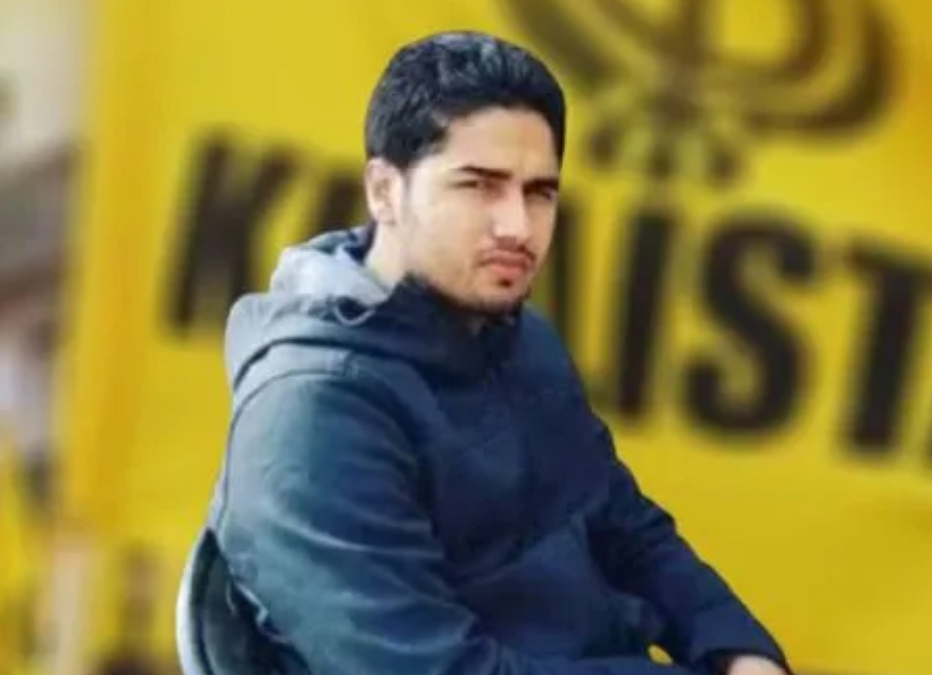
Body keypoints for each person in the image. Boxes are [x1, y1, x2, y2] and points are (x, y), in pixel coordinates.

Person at [205, 30, 791, 675]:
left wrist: (737, 651)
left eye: (539, 192)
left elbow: (623, 526)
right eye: (479, 186)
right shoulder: (312, 413)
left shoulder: (516, 335)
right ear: (384, 191)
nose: (517, 227)